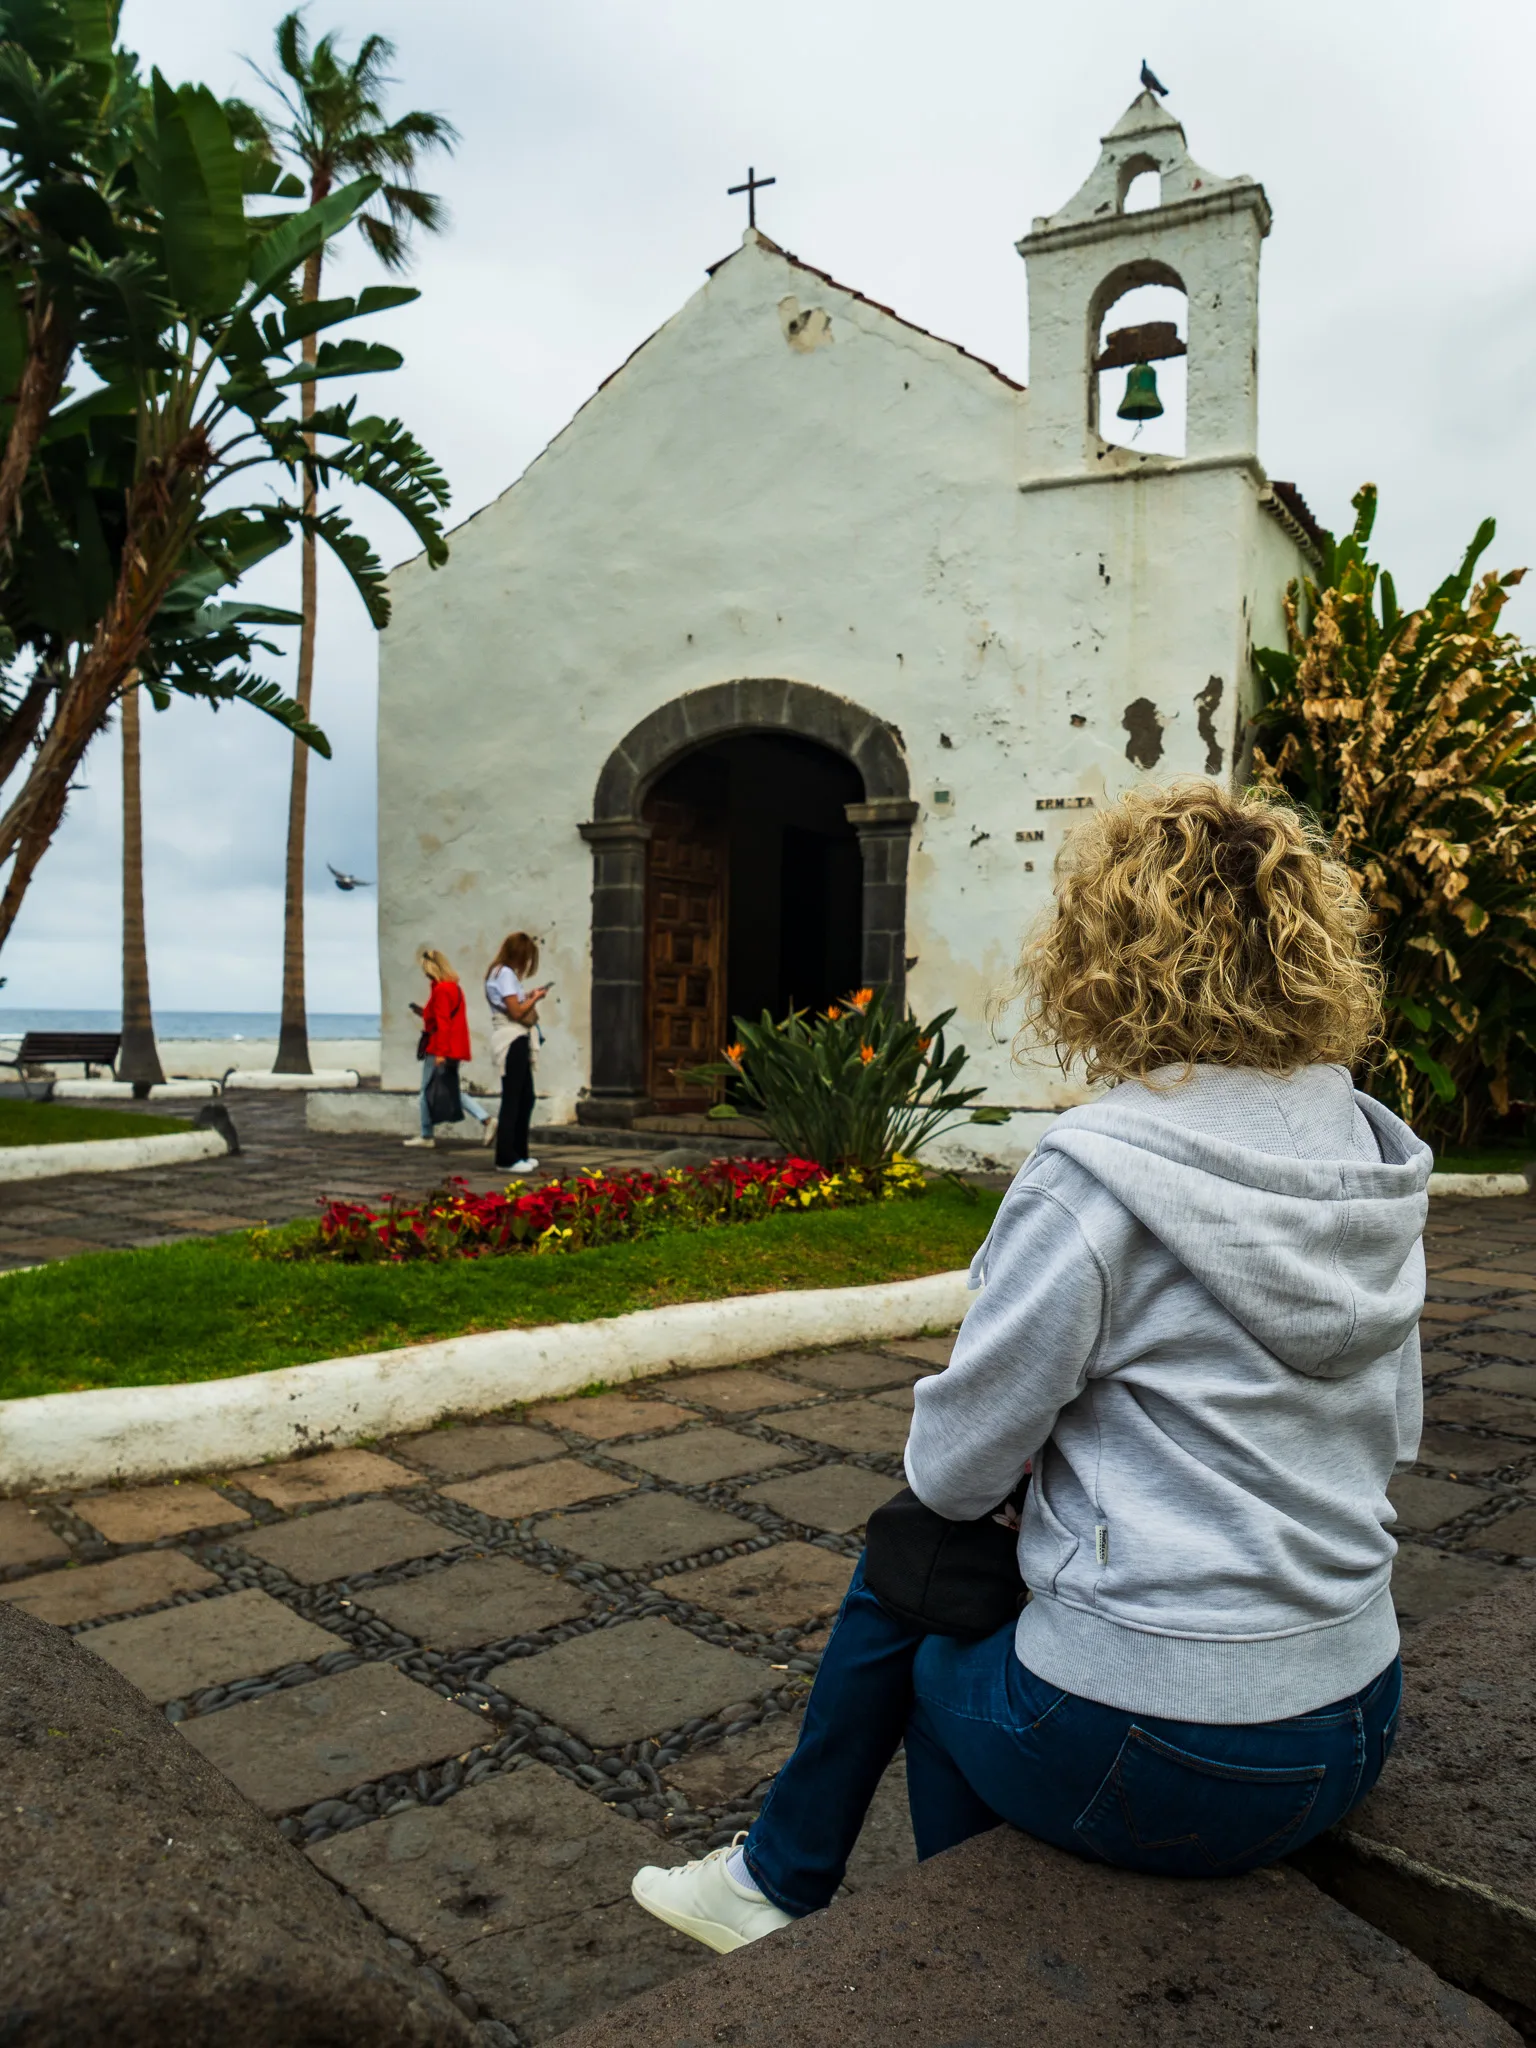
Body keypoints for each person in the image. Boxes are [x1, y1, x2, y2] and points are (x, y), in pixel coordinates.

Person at [631, 779, 1430, 1952]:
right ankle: (777, 1880)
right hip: (1356, 1713)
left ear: (1109, 955)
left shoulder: (1102, 1168)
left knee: (920, 1604)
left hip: (1175, 1750)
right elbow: (1392, 1432)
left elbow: (954, 1469)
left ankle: (910, 1928)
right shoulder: (1368, 1156)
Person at [405, 948, 493, 1150]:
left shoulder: (442, 990)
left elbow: (444, 1023)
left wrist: (441, 1052)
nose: (425, 974)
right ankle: (486, 1120)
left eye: (426, 970)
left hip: (440, 1047)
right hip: (452, 1047)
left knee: (426, 1091)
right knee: (451, 1090)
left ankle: (427, 1134)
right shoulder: (453, 988)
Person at [485, 931, 550, 1174]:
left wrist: (529, 998)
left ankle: (519, 1152)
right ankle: (506, 1156)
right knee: (514, 1098)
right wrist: (535, 999)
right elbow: (516, 1012)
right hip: (512, 1038)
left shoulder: (498, 973)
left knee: (525, 1097)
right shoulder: (505, 974)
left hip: (515, 1037)